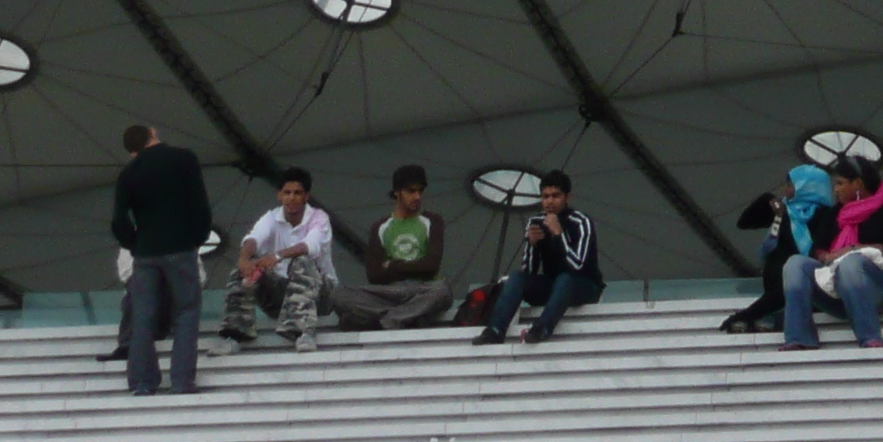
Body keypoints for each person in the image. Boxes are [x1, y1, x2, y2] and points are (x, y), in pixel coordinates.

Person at [110, 123, 211, 398]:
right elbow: (199, 204)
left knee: (143, 316)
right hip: (181, 247)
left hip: (146, 252)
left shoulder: (128, 173)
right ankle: (181, 382)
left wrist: (134, 244)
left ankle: (143, 382)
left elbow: (118, 220)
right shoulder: (184, 158)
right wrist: (197, 237)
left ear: (133, 150)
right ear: (153, 133)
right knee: (187, 312)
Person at [782, 157, 883, 350]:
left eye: (840, 183)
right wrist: (826, 257)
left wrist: (854, 250)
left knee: (852, 263)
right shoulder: (835, 213)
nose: (835, 189)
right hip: (837, 293)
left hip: (880, 291)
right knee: (795, 264)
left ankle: (869, 337)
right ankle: (799, 338)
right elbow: (816, 249)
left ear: (858, 183)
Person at [472, 173, 602, 344]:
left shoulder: (580, 221)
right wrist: (533, 245)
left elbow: (577, 266)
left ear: (567, 197)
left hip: (584, 285)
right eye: (545, 196)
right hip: (553, 286)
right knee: (517, 277)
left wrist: (558, 234)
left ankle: (542, 328)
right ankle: (495, 330)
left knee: (565, 279)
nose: (549, 201)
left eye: (556, 196)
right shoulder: (536, 221)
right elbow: (529, 270)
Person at [221, 166, 335, 352]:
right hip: (282, 297)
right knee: (242, 268)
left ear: (306, 197)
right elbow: (253, 239)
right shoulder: (272, 217)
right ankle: (234, 335)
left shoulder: (319, 218)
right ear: (279, 195)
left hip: (321, 296)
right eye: (287, 193)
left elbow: (309, 246)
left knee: (303, 261)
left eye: (297, 193)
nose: (291, 198)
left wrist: (277, 256)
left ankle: (303, 333)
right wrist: (243, 260)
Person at [332, 164, 454, 331]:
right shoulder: (381, 226)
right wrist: (415, 267)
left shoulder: (433, 220)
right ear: (397, 192)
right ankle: (407, 316)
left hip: (422, 289)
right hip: (389, 293)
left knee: (442, 290)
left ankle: (379, 318)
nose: (417, 196)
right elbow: (374, 275)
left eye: (420, 191)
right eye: (411, 191)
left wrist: (394, 265)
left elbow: (431, 266)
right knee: (339, 294)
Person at [722, 162, 836, 334]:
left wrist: (744, 315)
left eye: (790, 185)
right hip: (775, 281)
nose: (785, 189)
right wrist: (768, 200)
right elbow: (744, 223)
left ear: (806, 186)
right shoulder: (784, 209)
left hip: (804, 284)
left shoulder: (828, 215)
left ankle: (760, 317)